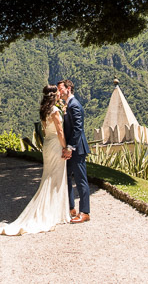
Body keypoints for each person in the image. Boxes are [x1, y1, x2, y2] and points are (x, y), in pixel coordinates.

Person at [0, 85, 71, 235]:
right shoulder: (55, 111)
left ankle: (52, 211)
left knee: (49, 177)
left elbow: (46, 131)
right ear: (54, 95)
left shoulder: (44, 111)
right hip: (56, 145)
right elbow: (60, 131)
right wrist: (66, 148)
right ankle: (52, 213)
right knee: (56, 179)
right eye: (58, 92)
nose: (60, 94)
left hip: (47, 144)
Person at [58, 79, 91, 223]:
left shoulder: (74, 105)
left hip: (77, 149)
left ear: (69, 88)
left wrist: (70, 148)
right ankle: (71, 208)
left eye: (61, 89)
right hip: (71, 149)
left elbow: (78, 129)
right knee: (67, 179)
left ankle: (85, 212)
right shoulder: (68, 105)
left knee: (81, 180)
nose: (59, 92)